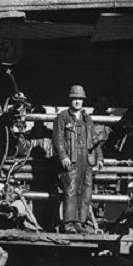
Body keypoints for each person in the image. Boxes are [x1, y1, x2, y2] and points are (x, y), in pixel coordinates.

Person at [52, 85, 97, 233]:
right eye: (74, 99)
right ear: (70, 100)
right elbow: (57, 139)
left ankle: (81, 223)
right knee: (70, 191)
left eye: (80, 99)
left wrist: (99, 158)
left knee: (86, 191)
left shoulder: (87, 118)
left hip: (86, 160)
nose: (77, 101)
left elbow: (95, 140)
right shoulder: (62, 117)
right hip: (71, 160)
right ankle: (69, 223)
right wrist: (63, 156)